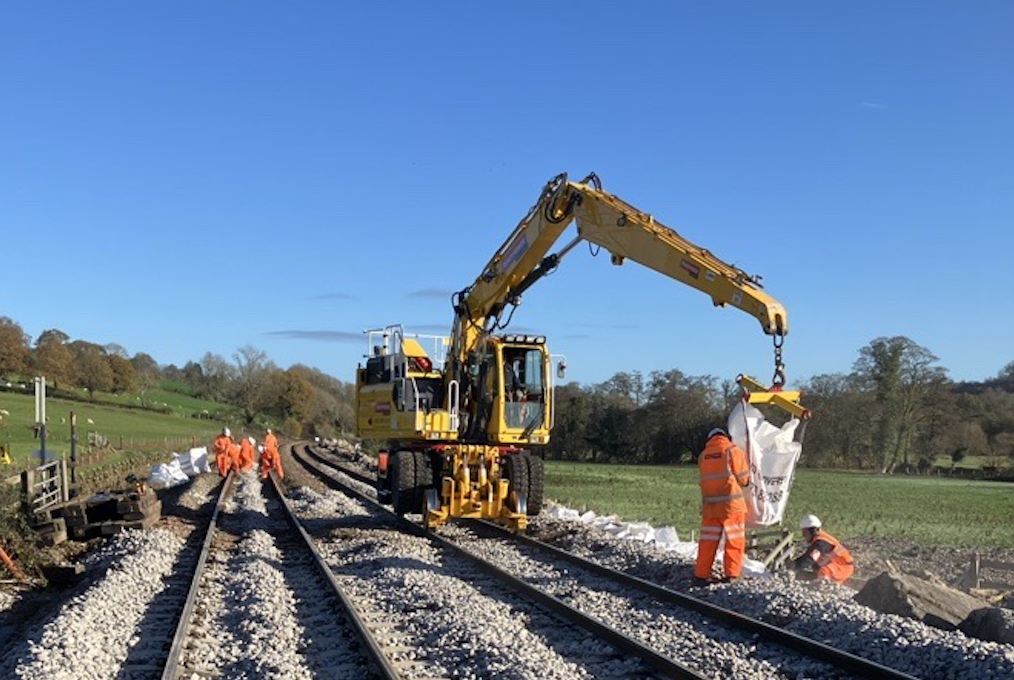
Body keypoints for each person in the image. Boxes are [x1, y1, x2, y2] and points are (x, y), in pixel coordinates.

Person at [693, 427, 751, 586]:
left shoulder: (703, 456)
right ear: (726, 436)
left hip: (710, 507)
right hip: (731, 506)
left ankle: (700, 575)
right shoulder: (732, 450)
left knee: (707, 542)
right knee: (734, 541)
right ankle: (731, 574)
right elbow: (744, 479)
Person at [791, 515, 855, 583]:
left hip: (842, 567)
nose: (803, 535)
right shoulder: (820, 539)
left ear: (814, 531)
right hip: (839, 566)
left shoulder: (821, 542)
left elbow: (810, 558)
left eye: (805, 532)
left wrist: (794, 566)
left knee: (824, 571)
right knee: (817, 566)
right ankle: (828, 582)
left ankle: (824, 585)